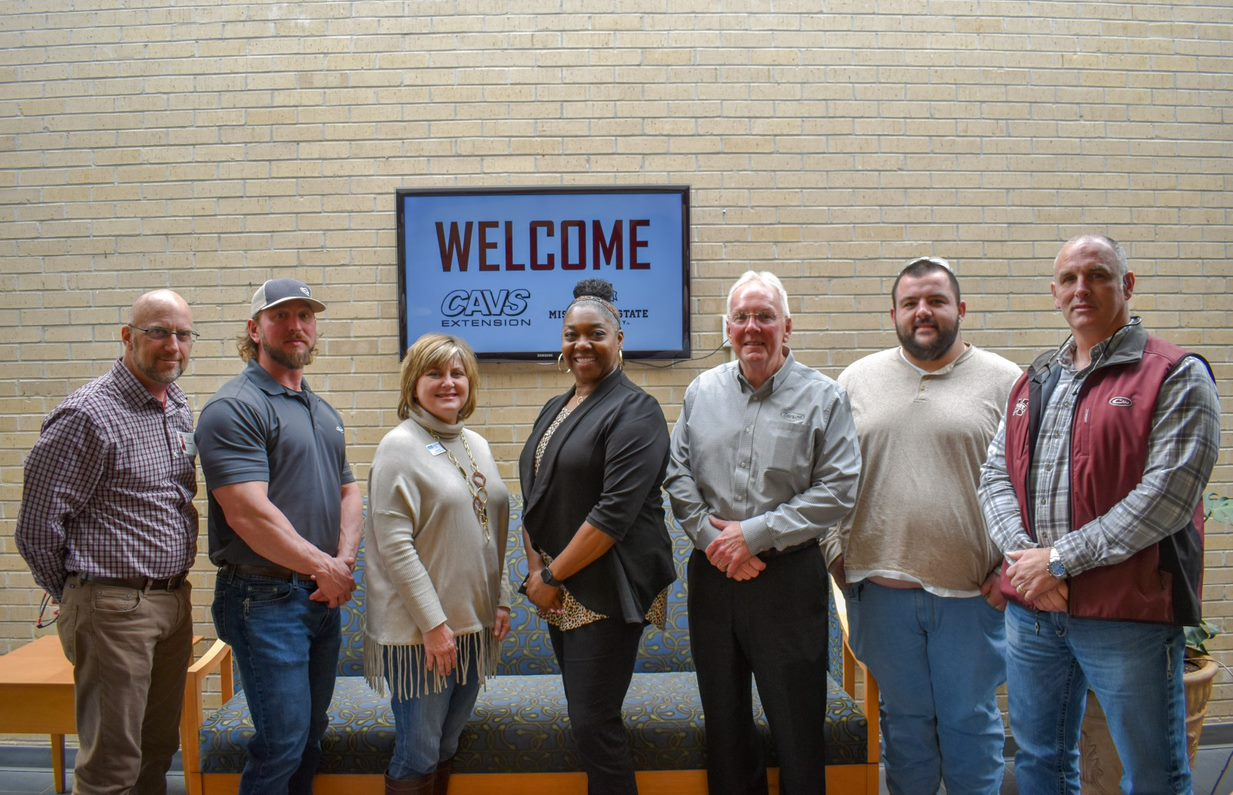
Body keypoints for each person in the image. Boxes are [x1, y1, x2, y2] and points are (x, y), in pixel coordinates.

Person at [978, 234, 1220, 793]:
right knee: (1040, 761)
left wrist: (1058, 561)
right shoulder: (1035, 380)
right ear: (1055, 292)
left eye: (1098, 275)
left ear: (1127, 285)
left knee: (1154, 774)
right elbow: (994, 477)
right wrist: (1025, 564)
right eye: (1068, 279)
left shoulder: (1176, 375)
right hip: (1034, 614)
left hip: (1126, 617)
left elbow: (1167, 496)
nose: (1080, 289)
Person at [824, 257, 1021, 795]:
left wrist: (1012, 566)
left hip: (971, 597)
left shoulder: (1008, 382)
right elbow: (827, 478)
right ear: (894, 313)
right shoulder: (856, 380)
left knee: (970, 724)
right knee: (904, 727)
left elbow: (1034, 484)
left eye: (935, 300)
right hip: (880, 595)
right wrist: (835, 554)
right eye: (911, 303)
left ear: (961, 308)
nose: (923, 312)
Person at [665, 270, 861, 795]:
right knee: (724, 725)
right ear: (727, 327)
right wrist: (714, 541)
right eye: (743, 317)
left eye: (765, 316)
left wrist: (753, 535)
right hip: (714, 579)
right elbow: (677, 474)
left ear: (787, 327)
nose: (753, 327)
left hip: (788, 579)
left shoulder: (825, 397)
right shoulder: (700, 391)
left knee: (797, 728)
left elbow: (839, 488)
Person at [16, 289, 198, 795]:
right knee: (112, 767)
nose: (173, 346)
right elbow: (36, 528)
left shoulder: (176, 404)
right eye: (158, 332)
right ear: (128, 336)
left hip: (171, 601)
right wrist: (84, 594)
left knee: (156, 754)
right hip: (113, 607)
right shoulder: (87, 415)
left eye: (183, 334)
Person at [196, 278, 362, 795]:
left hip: (317, 595)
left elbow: (350, 492)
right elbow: (250, 515)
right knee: (283, 741)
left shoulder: (320, 410)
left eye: (305, 316)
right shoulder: (235, 408)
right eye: (281, 316)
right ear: (254, 329)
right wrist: (324, 566)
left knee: (311, 736)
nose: (296, 326)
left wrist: (343, 563)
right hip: (263, 599)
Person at [518, 278, 675, 794]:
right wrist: (538, 572)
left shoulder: (637, 410)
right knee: (588, 722)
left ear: (620, 338)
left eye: (595, 333)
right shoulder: (557, 406)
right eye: (571, 333)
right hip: (560, 587)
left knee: (593, 723)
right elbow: (534, 495)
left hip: (608, 585)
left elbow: (613, 513)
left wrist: (550, 575)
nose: (581, 343)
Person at [364, 334, 513, 795]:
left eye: (457, 372)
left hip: (474, 626)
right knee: (418, 752)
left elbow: (490, 526)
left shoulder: (475, 443)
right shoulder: (398, 446)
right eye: (435, 373)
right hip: (423, 635)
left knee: (446, 744)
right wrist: (433, 625)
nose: (448, 383)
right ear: (413, 383)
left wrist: (501, 598)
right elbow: (394, 546)